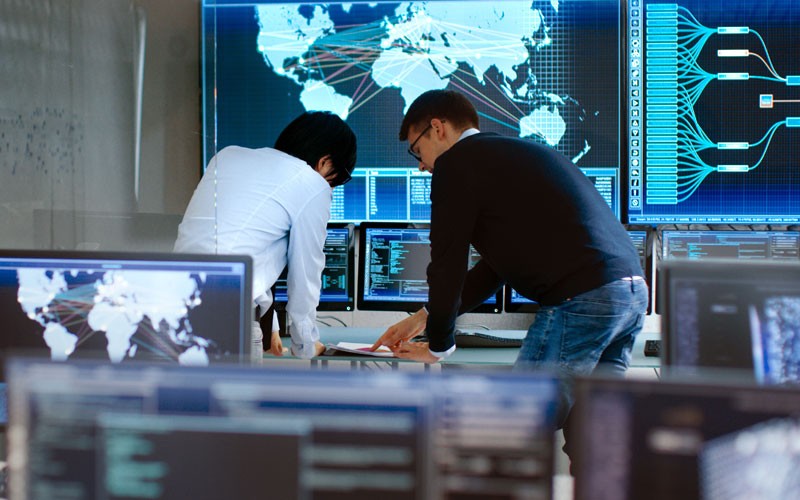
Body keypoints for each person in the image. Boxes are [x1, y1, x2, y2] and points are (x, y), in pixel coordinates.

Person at [370, 89, 648, 456]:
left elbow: (447, 262)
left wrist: (439, 345)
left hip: (581, 298)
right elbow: (494, 269)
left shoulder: (457, 164)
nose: (420, 166)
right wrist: (424, 318)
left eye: (416, 151)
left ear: (438, 129)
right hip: (629, 295)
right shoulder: (519, 154)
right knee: (592, 436)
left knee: (513, 429)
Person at [175, 111, 357, 361]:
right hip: (228, 322)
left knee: (180, 398)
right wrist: (306, 344)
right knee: (233, 400)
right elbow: (306, 273)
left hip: (172, 307)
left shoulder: (227, 156)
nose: (331, 187)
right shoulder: (312, 184)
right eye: (336, 180)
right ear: (325, 162)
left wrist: (268, 324)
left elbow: (248, 245)